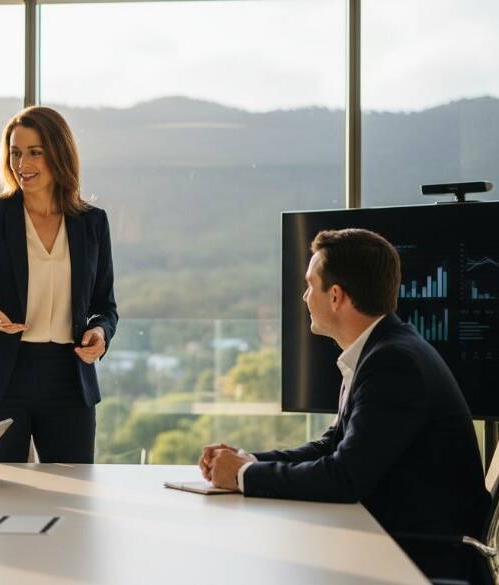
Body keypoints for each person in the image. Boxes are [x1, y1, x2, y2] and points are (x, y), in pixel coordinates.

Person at [199, 228, 489, 578]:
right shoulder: (382, 349)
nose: (305, 296)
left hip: (422, 559)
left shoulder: (394, 363)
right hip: (397, 545)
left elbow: (343, 477)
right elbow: (333, 446)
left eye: (310, 285)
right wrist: (251, 460)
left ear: (335, 296)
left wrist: (244, 475)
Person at [0, 106, 118, 463]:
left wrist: (101, 334)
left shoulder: (92, 223)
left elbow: (105, 306)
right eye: (15, 153)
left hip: (69, 380)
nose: (22, 163)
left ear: (59, 153)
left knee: (74, 494)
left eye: (34, 152)